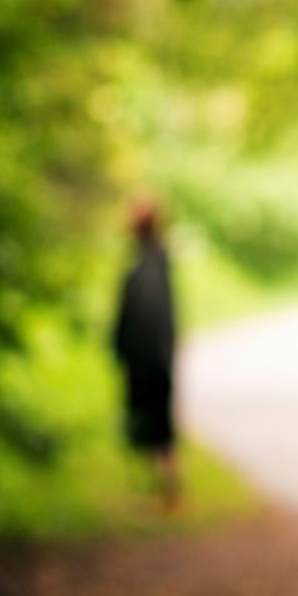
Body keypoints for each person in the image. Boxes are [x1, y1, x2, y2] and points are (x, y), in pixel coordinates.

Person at [113, 198, 182, 506]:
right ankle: (162, 490)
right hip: (158, 356)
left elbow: (133, 317)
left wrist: (122, 350)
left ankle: (165, 491)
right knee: (159, 427)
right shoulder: (158, 263)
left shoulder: (143, 269)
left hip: (145, 359)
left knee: (152, 425)